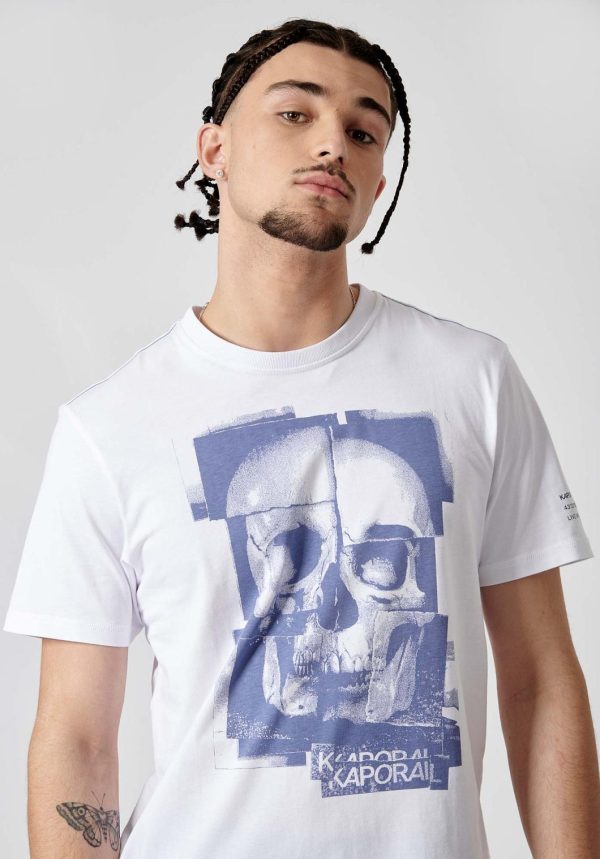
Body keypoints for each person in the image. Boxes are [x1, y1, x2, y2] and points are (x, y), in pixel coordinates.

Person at [4, 17, 598, 859]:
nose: (332, 144)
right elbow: (76, 736)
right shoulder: (110, 427)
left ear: (378, 181)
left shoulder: (474, 380)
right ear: (214, 149)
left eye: (363, 131)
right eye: (296, 113)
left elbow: (541, 680)